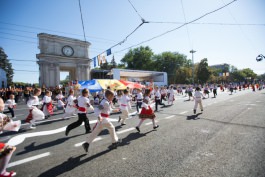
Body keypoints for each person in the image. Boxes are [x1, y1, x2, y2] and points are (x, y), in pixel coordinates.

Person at [0, 98, 17, 177]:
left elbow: (8, 126)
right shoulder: (1, 116)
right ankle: (2, 172)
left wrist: (12, 125)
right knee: (9, 148)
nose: (4, 104)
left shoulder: (2, 116)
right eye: (3, 102)